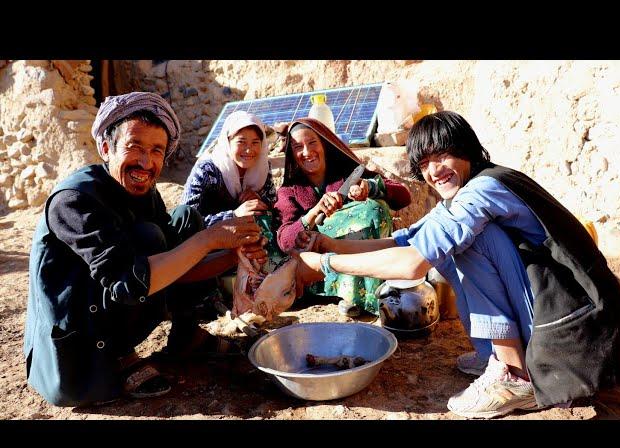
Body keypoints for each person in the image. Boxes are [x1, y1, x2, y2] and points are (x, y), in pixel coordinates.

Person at [293, 111, 620, 418]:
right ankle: (494, 353)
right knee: (450, 241)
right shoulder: (470, 188)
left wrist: (326, 264)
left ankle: (514, 375)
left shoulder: (481, 191)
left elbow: (413, 263)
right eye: (425, 163)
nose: (434, 171)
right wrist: (331, 244)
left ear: (467, 150)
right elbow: (408, 239)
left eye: (443, 156)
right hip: (566, 313)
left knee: (473, 242)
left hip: (581, 332)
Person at [23, 92, 267, 407]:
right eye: (134, 147)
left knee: (183, 221)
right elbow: (127, 281)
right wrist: (210, 239)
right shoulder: (74, 200)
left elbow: (178, 268)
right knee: (153, 238)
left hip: (113, 302)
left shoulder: (144, 193)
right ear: (106, 148)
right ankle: (121, 355)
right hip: (75, 349)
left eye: (156, 151)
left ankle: (186, 335)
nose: (145, 162)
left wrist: (232, 256)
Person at [274, 117, 411, 317]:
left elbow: (403, 196)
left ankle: (373, 293)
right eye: (298, 147)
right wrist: (313, 214)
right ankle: (348, 294)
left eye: (312, 143)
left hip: (362, 260)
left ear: (324, 145)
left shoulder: (348, 175)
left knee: (374, 208)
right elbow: (285, 241)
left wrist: (370, 188)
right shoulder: (288, 192)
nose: (306, 152)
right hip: (320, 273)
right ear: (292, 154)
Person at [181, 110, 276, 227]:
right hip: (208, 242)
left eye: (255, 143)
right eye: (241, 142)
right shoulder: (206, 171)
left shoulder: (262, 169)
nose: (248, 150)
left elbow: (275, 210)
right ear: (227, 142)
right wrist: (234, 215)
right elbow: (186, 223)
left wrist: (259, 201)